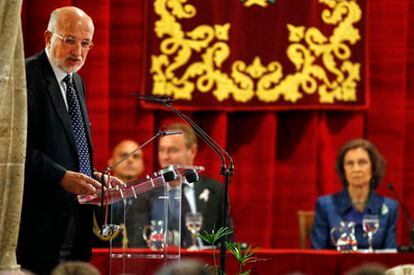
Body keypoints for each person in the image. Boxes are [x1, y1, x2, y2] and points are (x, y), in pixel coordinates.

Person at [17, 6, 121, 274]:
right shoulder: (24, 77)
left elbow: (68, 146)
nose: (78, 51)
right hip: (38, 221)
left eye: (85, 43)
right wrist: (60, 176)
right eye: (70, 40)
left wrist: (92, 176)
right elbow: (12, 149)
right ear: (48, 38)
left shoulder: (77, 83)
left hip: (77, 220)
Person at [155, 122, 233, 247]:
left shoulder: (216, 191)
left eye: (173, 150)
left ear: (192, 151)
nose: (165, 156)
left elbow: (226, 240)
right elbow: (139, 242)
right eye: (161, 150)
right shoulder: (147, 194)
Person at [311, 139, 398, 249]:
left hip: (375, 266)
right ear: (343, 170)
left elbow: (390, 255)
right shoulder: (325, 206)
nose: (356, 169)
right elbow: (318, 255)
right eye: (350, 163)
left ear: (373, 167)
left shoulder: (389, 208)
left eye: (362, 162)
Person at [93, 139, 146, 247]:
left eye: (135, 156)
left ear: (143, 165)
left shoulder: (151, 197)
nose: (130, 160)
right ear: (111, 162)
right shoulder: (98, 195)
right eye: (124, 155)